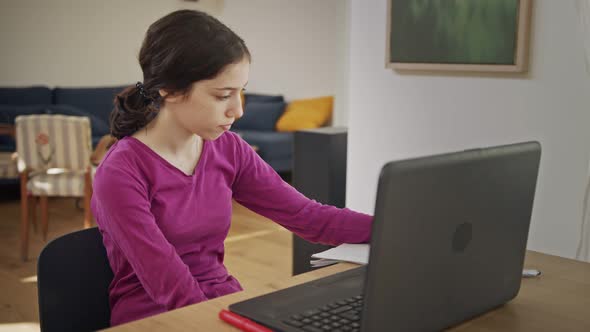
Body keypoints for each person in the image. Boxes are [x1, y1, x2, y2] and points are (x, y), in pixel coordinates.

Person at [91, 9, 372, 326]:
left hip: (224, 303)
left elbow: (310, 218)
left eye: (241, 92)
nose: (237, 110)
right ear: (168, 89)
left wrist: (392, 230)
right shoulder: (121, 171)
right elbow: (167, 284)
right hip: (154, 317)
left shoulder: (230, 149)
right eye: (222, 95)